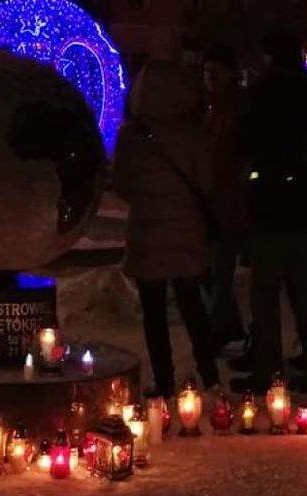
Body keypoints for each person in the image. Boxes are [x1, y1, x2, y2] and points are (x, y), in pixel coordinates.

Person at [242, 27, 307, 395]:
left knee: (266, 296)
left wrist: (256, 181)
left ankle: (268, 369)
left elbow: (247, 145)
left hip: (269, 211)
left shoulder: (262, 94)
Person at [113, 61, 219, 397]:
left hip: (148, 234)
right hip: (187, 232)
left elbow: (122, 184)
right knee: (193, 307)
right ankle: (210, 374)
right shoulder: (193, 135)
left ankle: (165, 380)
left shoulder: (132, 135)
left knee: (154, 315)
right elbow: (207, 181)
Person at [201, 45, 247, 353]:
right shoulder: (209, 107)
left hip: (228, 202)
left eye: (215, 72)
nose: (210, 78)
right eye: (207, 72)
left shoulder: (237, 108)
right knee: (209, 270)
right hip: (210, 200)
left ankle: (220, 330)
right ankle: (229, 326)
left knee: (219, 270)